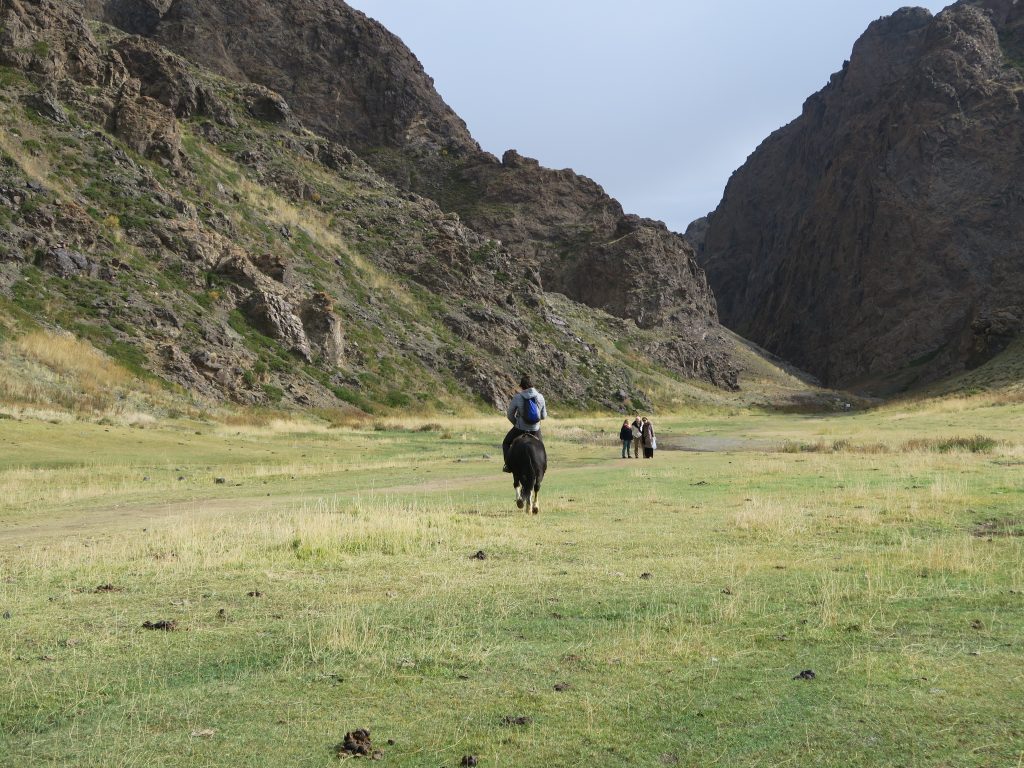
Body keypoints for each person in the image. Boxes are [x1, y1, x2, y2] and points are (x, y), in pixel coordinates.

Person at [502, 375, 547, 472]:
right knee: (541, 447)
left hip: (520, 429)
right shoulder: (540, 397)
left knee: (505, 443)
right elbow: (543, 416)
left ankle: (508, 465)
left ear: (521, 386)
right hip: (535, 430)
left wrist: (517, 423)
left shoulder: (518, 397)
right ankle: (543, 466)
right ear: (532, 385)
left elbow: (510, 414)